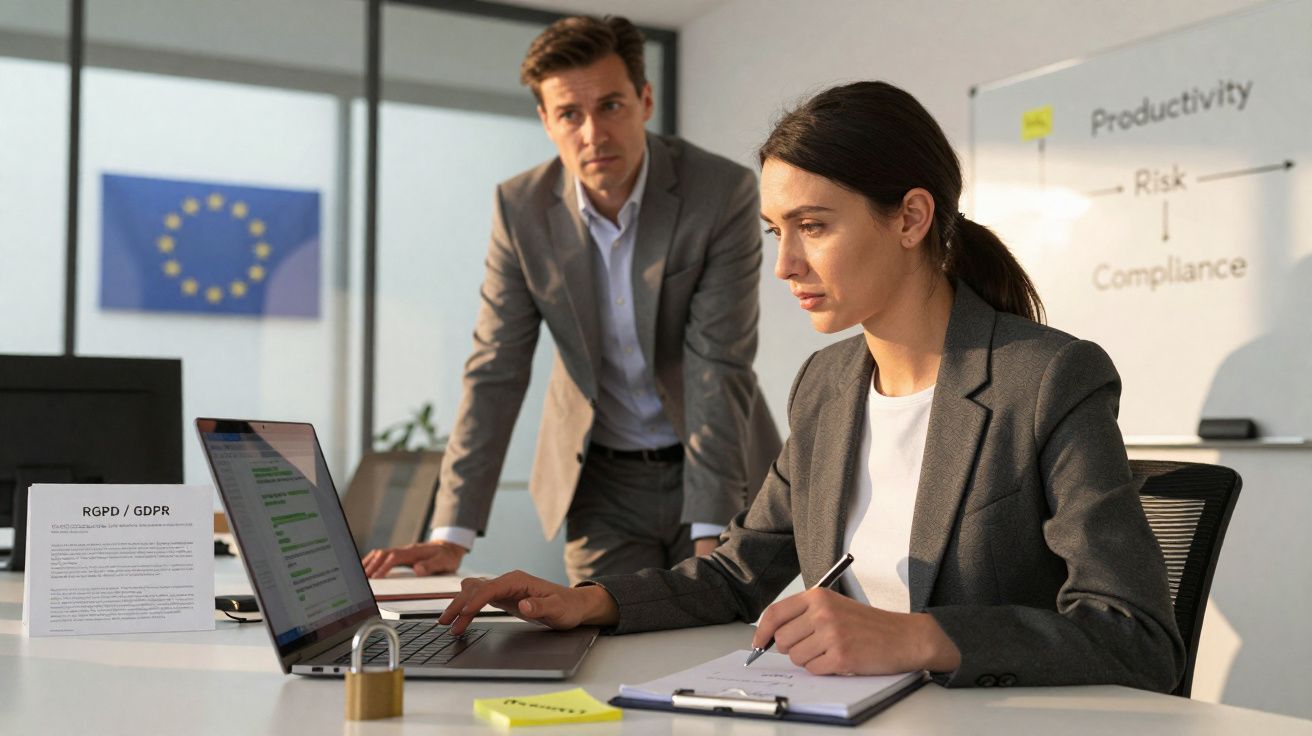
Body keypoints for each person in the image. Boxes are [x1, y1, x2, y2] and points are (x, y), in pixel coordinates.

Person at [432, 81, 1187, 691]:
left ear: (911, 218)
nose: (785, 264)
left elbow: (1138, 637)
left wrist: (919, 637)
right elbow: (739, 573)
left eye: (813, 226)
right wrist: (590, 601)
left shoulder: (1049, 380)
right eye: (774, 231)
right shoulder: (827, 386)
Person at [362, 16, 780, 585]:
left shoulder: (719, 192)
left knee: (713, 646)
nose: (593, 134)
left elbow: (717, 365)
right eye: (569, 114)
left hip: (715, 467)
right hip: (600, 480)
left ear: (645, 100)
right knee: (597, 639)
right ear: (546, 120)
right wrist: (450, 535)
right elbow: (496, 367)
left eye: (610, 105)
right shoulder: (521, 209)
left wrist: (711, 531)